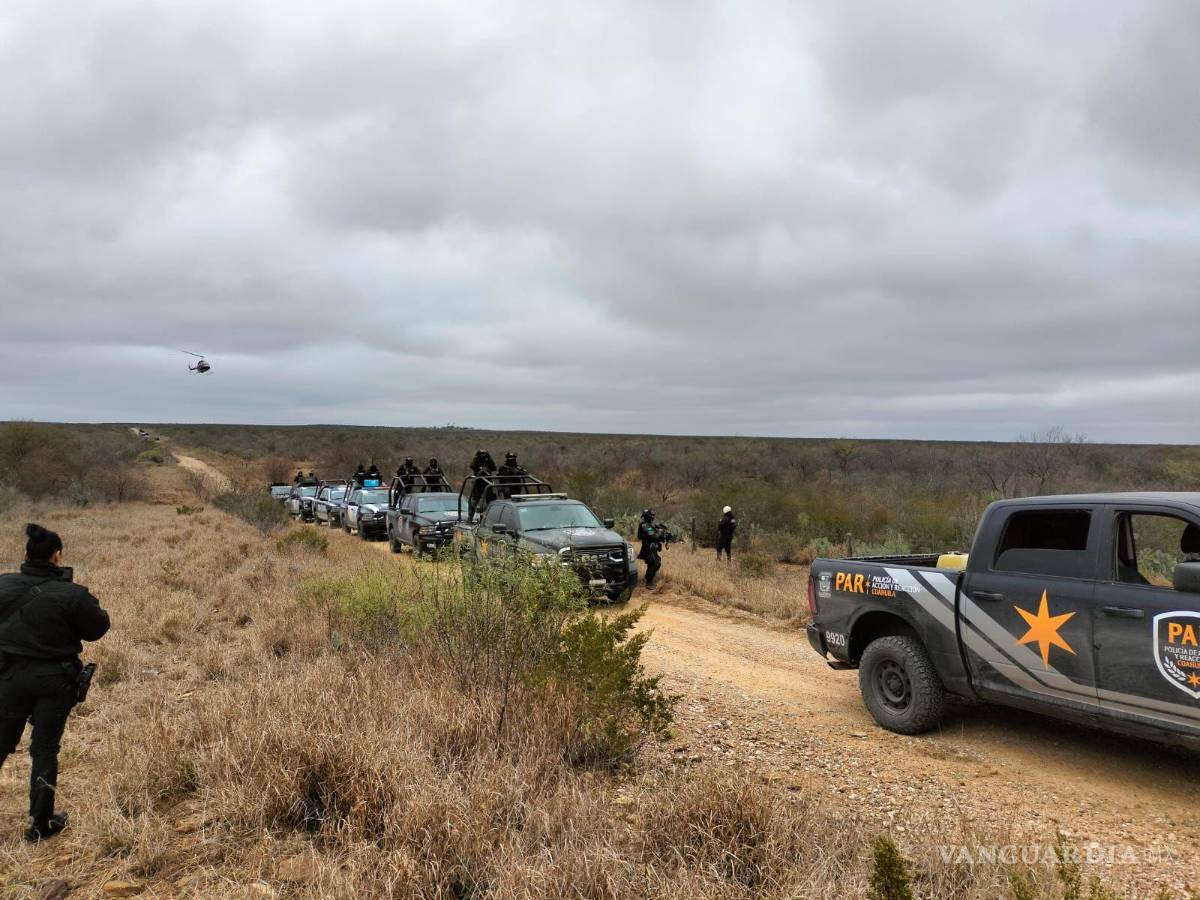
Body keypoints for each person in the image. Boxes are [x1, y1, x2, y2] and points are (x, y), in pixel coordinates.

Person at [0, 524, 110, 842]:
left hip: (8, 677)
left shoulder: (4, 585)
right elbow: (97, 628)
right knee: (45, 750)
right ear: (58, 557)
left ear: (25, 554)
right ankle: (40, 824)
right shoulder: (72, 594)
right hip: (54, 680)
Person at [637, 509, 663, 589]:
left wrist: (662, 533)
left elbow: (656, 535)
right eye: (651, 516)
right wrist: (660, 532)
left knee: (654, 562)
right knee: (655, 563)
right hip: (647, 547)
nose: (652, 518)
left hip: (653, 547)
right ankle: (649, 583)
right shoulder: (644, 525)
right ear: (646, 517)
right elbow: (653, 535)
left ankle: (647, 577)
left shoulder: (650, 524)